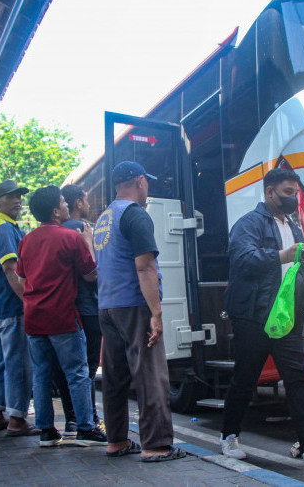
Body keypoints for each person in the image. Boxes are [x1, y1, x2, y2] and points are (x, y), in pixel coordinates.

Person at [219, 168, 304, 468]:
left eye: (296, 193)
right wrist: (283, 255)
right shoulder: (248, 223)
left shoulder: (292, 226)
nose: (294, 199)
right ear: (270, 192)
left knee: (300, 377)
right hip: (253, 315)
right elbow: (242, 260)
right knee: (245, 378)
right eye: (288, 193)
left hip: (287, 315)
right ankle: (228, 435)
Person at [93, 161, 186, 462]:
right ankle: (156, 445)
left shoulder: (103, 218)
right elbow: (144, 265)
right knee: (149, 374)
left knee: (115, 377)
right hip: (134, 305)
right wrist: (156, 313)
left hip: (107, 307)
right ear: (141, 182)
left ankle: (116, 440)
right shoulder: (135, 215)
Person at [17, 185, 107, 447]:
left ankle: (46, 430)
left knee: (43, 375)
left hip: (33, 317)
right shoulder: (70, 238)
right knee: (77, 373)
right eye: (63, 203)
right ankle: (86, 427)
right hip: (63, 316)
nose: (68, 205)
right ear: (55, 211)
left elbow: (22, 278)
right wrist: (89, 244)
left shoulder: (26, 241)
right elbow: (91, 274)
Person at [0, 180, 37, 436]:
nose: (17, 200)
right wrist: (27, 301)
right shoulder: (4, 229)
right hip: (11, 307)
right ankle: (17, 418)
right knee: (17, 364)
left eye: (19, 196)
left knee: (0, 363)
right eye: (10, 196)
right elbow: (10, 268)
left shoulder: (2, 227)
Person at [58, 184, 104, 435]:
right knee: (87, 367)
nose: (88, 204)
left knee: (68, 369)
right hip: (87, 307)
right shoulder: (83, 230)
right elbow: (94, 271)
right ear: (78, 203)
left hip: (65, 309)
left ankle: (72, 419)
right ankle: (91, 419)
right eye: (86, 200)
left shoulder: (56, 231)